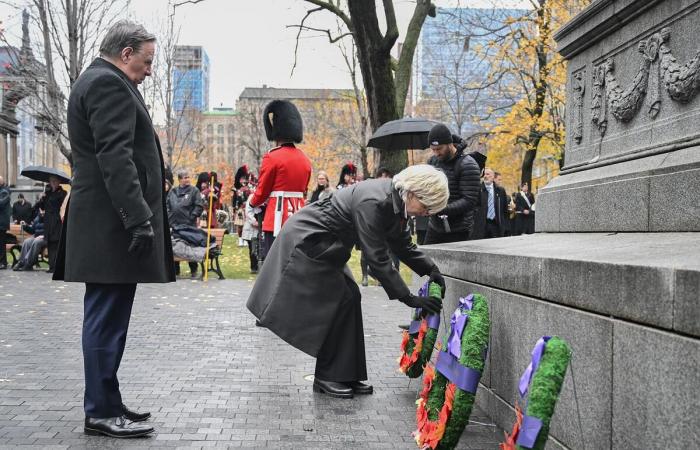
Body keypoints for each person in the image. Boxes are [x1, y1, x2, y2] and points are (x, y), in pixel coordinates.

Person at [53, 20, 174, 438]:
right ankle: (101, 410)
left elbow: (120, 152)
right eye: (147, 60)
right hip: (112, 224)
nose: (150, 69)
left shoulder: (99, 79)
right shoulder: (108, 84)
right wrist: (139, 218)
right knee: (106, 319)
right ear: (126, 54)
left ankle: (107, 400)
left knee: (108, 317)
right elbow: (115, 157)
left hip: (108, 221)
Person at [247, 165, 447, 399]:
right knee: (339, 299)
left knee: (351, 297)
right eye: (426, 207)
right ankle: (327, 376)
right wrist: (408, 297)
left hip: (327, 242)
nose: (426, 213)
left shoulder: (394, 202)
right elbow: (376, 257)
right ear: (413, 193)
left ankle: (345, 373)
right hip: (310, 239)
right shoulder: (375, 201)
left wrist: (430, 269)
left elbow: (402, 244)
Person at [249, 99, 312, 265]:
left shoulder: (272, 156)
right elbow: (304, 189)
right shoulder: (305, 159)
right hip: (299, 215)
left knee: (274, 264)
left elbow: (262, 191)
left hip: (277, 218)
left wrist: (252, 203)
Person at [425, 123, 481, 244]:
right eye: (433, 149)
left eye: (439, 149)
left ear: (450, 144)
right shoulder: (432, 161)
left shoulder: (468, 164)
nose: (436, 153)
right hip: (434, 226)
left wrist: (441, 209)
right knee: (426, 261)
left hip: (459, 229)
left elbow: (469, 200)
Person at [360, 167, 398, 286]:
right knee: (368, 251)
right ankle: (369, 274)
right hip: (373, 226)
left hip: (390, 227)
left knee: (392, 251)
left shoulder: (395, 193)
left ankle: (390, 276)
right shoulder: (371, 192)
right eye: (381, 177)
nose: (384, 180)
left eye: (387, 177)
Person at [167, 169, 204, 278]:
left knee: (189, 247)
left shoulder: (194, 191)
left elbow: (199, 206)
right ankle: (175, 270)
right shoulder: (173, 192)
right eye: (185, 177)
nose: (187, 179)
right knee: (175, 246)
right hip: (174, 224)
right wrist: (169, 218)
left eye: (188, 177)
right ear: (180, 180)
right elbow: (167, 205)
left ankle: (193, 269)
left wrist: (191, 217)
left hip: (188, 225)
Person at [35, 176, 66, 273]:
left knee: (56, 244)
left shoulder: (63, 193)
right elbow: (41, 207)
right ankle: (52, 266)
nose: (52, 183)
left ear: (58, 182)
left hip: (57, 221)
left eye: (54, 181)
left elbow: (62, 206)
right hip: (48, 222)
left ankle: (58, 266)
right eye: (51, 181)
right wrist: (41, 199)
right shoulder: (47, 194)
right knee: (50, 244)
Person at [471, 168, 508, 240]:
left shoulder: (500, 190)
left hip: (496, 225)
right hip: (481, 225)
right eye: (484, 174)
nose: (485, 176)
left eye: (488, 174)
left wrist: (505, 227)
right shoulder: (478, 189)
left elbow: (504, 210)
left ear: (493, 177)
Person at [0, 176, 10, 269]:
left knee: (2, 243)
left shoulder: (4, 191)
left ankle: (3, 262)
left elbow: (1, 204)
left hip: (2, 223)